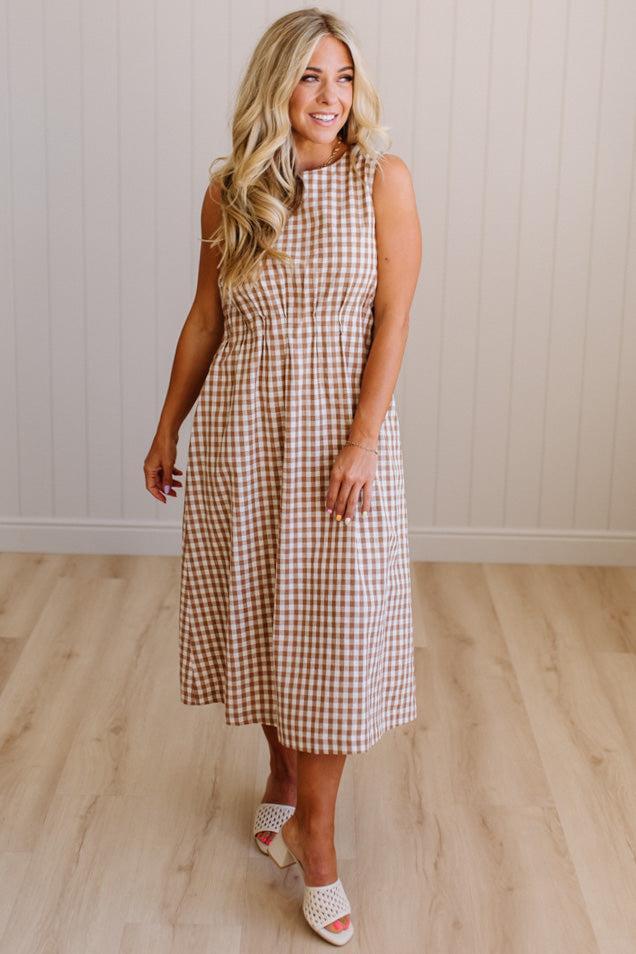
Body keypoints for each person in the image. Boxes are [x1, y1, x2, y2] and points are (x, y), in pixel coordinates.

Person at [143, 7, 421, 946]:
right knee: (264, 621)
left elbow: (393, 321)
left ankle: (321, 841)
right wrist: (165, 427)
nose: (330, 97)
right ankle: (282, 776)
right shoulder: (231, 191)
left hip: (340, 440)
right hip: (242, 438)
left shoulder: (381, 180)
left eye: (342, 77)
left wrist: (363, 441)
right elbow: (203, 320)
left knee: (330, 639)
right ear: (277, 87)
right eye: (309, 78)